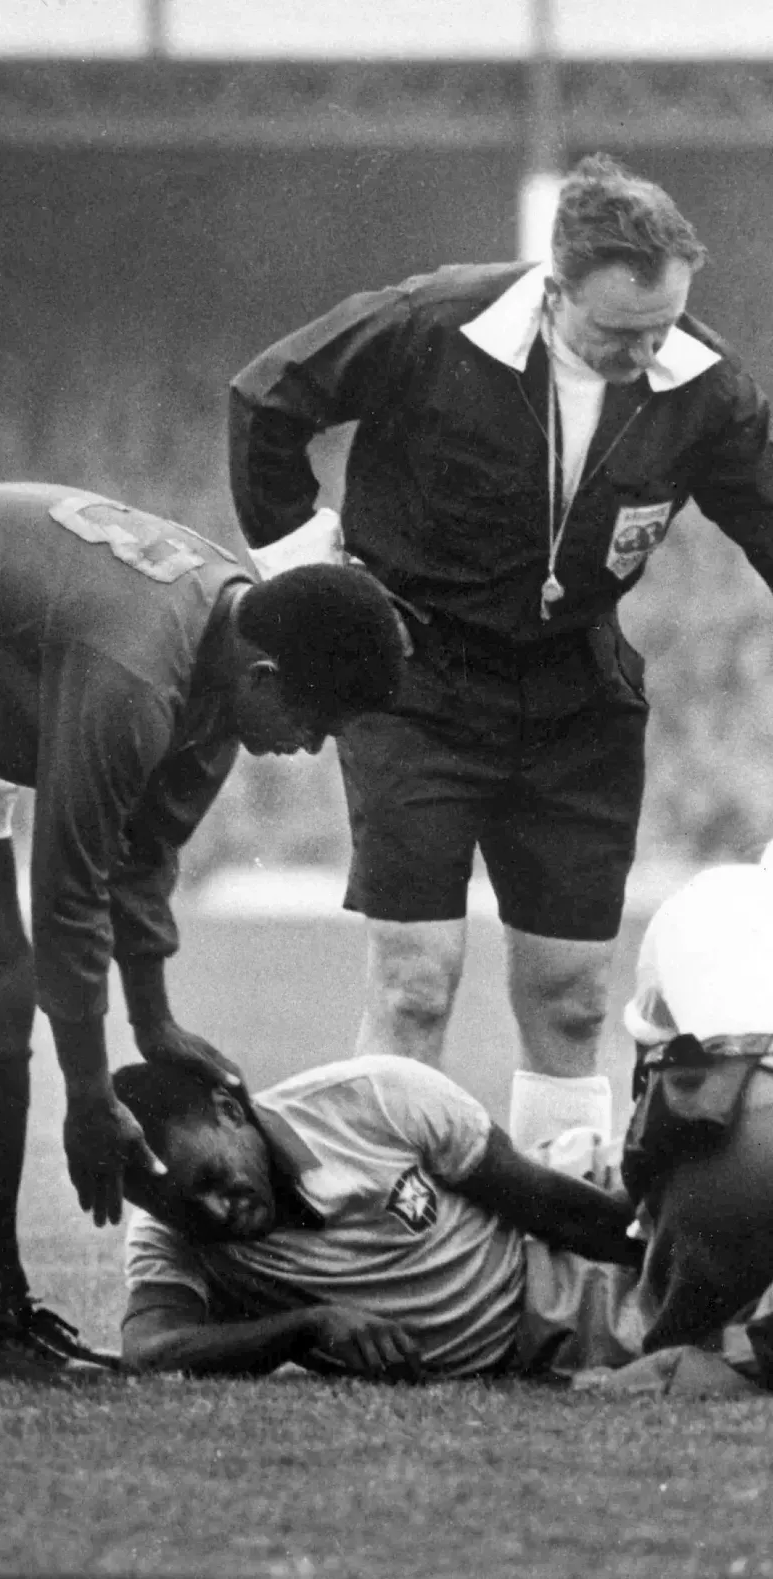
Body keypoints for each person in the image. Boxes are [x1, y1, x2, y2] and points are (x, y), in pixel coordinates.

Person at [228, 151, 773, 1155]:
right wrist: (313, 582)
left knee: (573, 999)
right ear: (557, 286)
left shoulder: (705, 385)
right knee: (415, 981)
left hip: (576, 691)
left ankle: (559, 1237)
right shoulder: (433, 323)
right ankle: (394, 1224)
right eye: (620, 332)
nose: (646, 350)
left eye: (662, 325)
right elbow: (267, 400)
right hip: (414, 677)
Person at [0, 480, 405, 1383]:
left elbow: (140, 858)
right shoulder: (134, 671)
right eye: (316, 722)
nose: (313, 747)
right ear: (266, 678)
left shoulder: (227, 655)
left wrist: (154, 1022)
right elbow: (69, 892)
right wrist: (90, 1097)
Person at [116, 1044, 646, 1381]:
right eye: (183, 1209)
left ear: (230, 1111)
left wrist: (657, 1250)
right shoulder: (167, 1235)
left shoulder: (376, 1095)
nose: (215, 1212)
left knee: (690, 1198)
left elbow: (547, 1203)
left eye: (212, 1177)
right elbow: (151, 1350)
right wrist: (306, 1327)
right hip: (548, 1323)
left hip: (572, 1212)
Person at [621, 843, 773, 1357]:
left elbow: (649, 1098)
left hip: (727, 1147)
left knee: (694, 1342)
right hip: (744, 1139)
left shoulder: (696, 899)